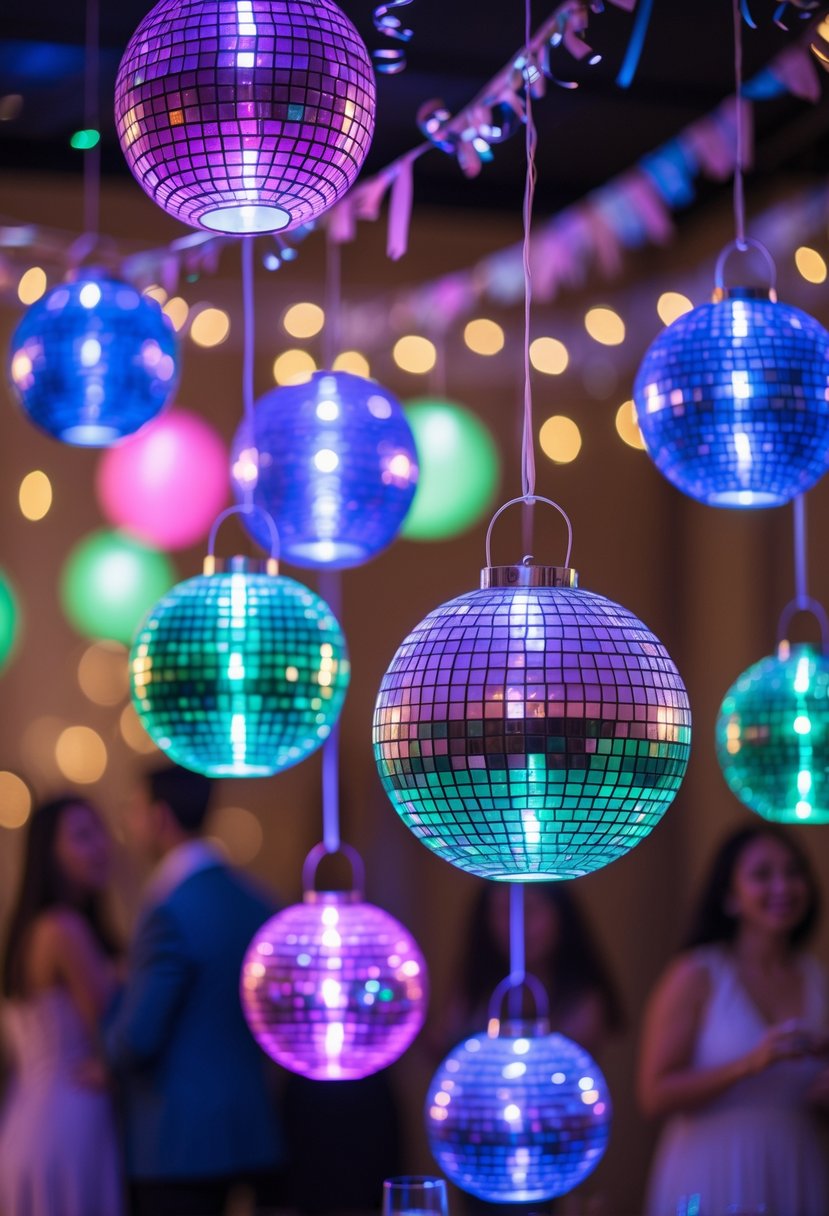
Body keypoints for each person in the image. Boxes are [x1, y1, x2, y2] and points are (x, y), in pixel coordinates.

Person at [103, 763, 284, 1216]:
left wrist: (105, 1048)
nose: (130, 823)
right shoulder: (258, 901)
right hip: (249, 1128)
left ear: (161, 817)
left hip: (176, 1140)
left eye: (135, 811)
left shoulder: (169, 910)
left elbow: (138, 1039)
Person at [638, 823, 829, 1216]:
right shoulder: (696, 974)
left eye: (794, 872)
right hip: (713, 1169)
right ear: (730, 896)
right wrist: (748, 1064)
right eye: (762, 875)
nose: (782, 887)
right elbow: (654, 1096)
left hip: (797, 1163)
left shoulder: (815, 976)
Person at [0, 795, 123, 1216]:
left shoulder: (31, 930)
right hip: (70, 1116)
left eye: (100, 833)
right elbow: (111, 1031)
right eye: (83, 837)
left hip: (25, 1118)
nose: (101, 847)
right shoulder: (63, 928)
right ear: (47, 852)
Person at [444, 882, 623, 1055]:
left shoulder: (585, 1002)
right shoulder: (473, 991)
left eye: (530, 910)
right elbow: (439, 1043)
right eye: (503, 911)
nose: (517, 925)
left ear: (561, 915)